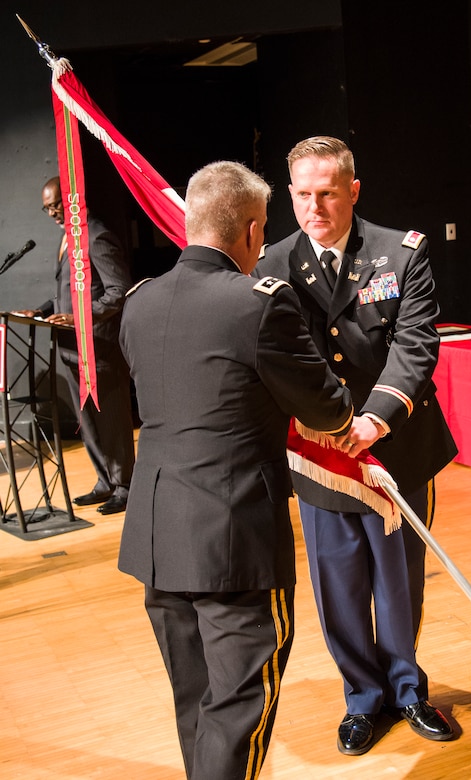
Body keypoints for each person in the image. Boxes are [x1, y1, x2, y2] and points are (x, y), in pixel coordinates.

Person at [117, 160, 355, 780]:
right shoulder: (259, 305)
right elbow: (328, 409)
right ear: (252, 233)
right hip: (233, 539)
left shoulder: (139, 304)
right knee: (238, 708)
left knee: (197, 702)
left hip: (157, 532)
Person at [254, 136, 458, 754]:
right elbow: (278, 356)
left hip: (393, 446)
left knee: (400, 582)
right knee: (337, 581)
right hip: (321, 455)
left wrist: (372, 420)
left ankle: (407, 690)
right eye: (302, 195)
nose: (314, 208)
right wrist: (328, 426)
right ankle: (362, 699)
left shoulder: (402, 253)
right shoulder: (271, 267)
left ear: (354, 191)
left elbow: (415, 344)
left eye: (327, 194)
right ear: (289, 195)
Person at [14, 176, 135, 515]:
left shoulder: (96, 235)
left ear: (73, 199)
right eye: (47, 208)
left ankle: (125, 485)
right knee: (88, 421)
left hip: (99, 347)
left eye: (56, 205)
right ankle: (105, 481)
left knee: (110, 418)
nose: (52, 213)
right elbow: (67, 294)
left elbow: (119, 291)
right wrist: (40, 311)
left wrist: (79, 318)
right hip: (71, 348)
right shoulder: (69, 237)